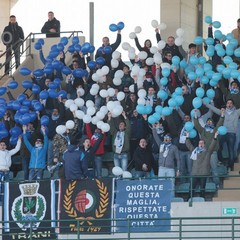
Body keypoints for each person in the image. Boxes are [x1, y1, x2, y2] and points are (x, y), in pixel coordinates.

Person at [203, 99, 240, 171]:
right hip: (222, 133)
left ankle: (230, 166)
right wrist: (205, 103)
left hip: (232, 133)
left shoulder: (237, 112)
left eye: (231, 103)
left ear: (233, 105)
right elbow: (213, 109)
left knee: (231, 150)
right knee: (217, 146)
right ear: (226, 105)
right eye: (228, 103)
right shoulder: (223, 112)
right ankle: (221, 161)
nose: (229, 104)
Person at [186, 131, 219, 198]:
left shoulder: (208, 152)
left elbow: (212, 145)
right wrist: (187, 137)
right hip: (195, 173)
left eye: (202, 143)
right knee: (191, 189)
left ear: (204, 144)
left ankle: (202, 201)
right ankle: (188, 202)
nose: (200, 144)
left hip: (203, 174)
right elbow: (189, 145)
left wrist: (215, 137)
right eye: (199, 143)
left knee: (202, 189)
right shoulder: (194, 151)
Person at [157, 133, 180, 198]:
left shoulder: (174, 147)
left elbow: (178, 159)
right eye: (165, 137)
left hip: (170, 169)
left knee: (171, 185)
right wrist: (154, 129)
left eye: (167, 137)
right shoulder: (161, 145)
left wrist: (178, 169)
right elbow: (156, 137)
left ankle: (172, 199)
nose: (166, 139)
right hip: (161, 168)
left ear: (170, 139)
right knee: (161, 185)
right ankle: (161, 199)